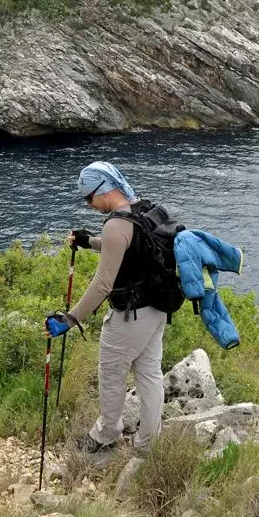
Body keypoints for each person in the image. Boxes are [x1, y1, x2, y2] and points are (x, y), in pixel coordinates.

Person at [46, 161, 169, 455]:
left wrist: (70, 318)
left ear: (103, 189)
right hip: (157, 307)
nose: (89, 205)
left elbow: (103, 283)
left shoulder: (116, 224)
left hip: (129, 315)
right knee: (150, 374)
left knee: (112, 375)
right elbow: (127, 246)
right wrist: (90, 242)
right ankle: (148, 445)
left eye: (89, 198)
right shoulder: (143, 209)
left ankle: (105, 436)